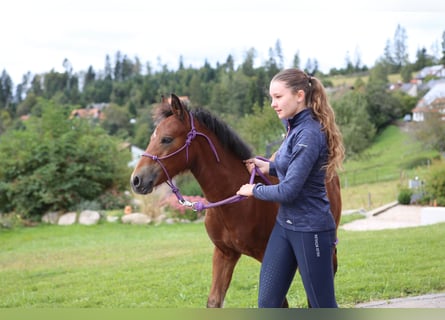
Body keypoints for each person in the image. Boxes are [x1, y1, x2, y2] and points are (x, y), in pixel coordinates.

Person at [236, 68, 344, 308]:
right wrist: (267, 167)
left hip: (311, 230)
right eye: (271, 98)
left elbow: (289, 190)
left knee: (321, 306)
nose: (273, 104)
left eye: (278, 96)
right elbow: (292, 168)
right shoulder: (293, 127)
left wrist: (253, 191)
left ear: (299, 95)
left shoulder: (309, 133)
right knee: (268, 303)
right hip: (285, 227)